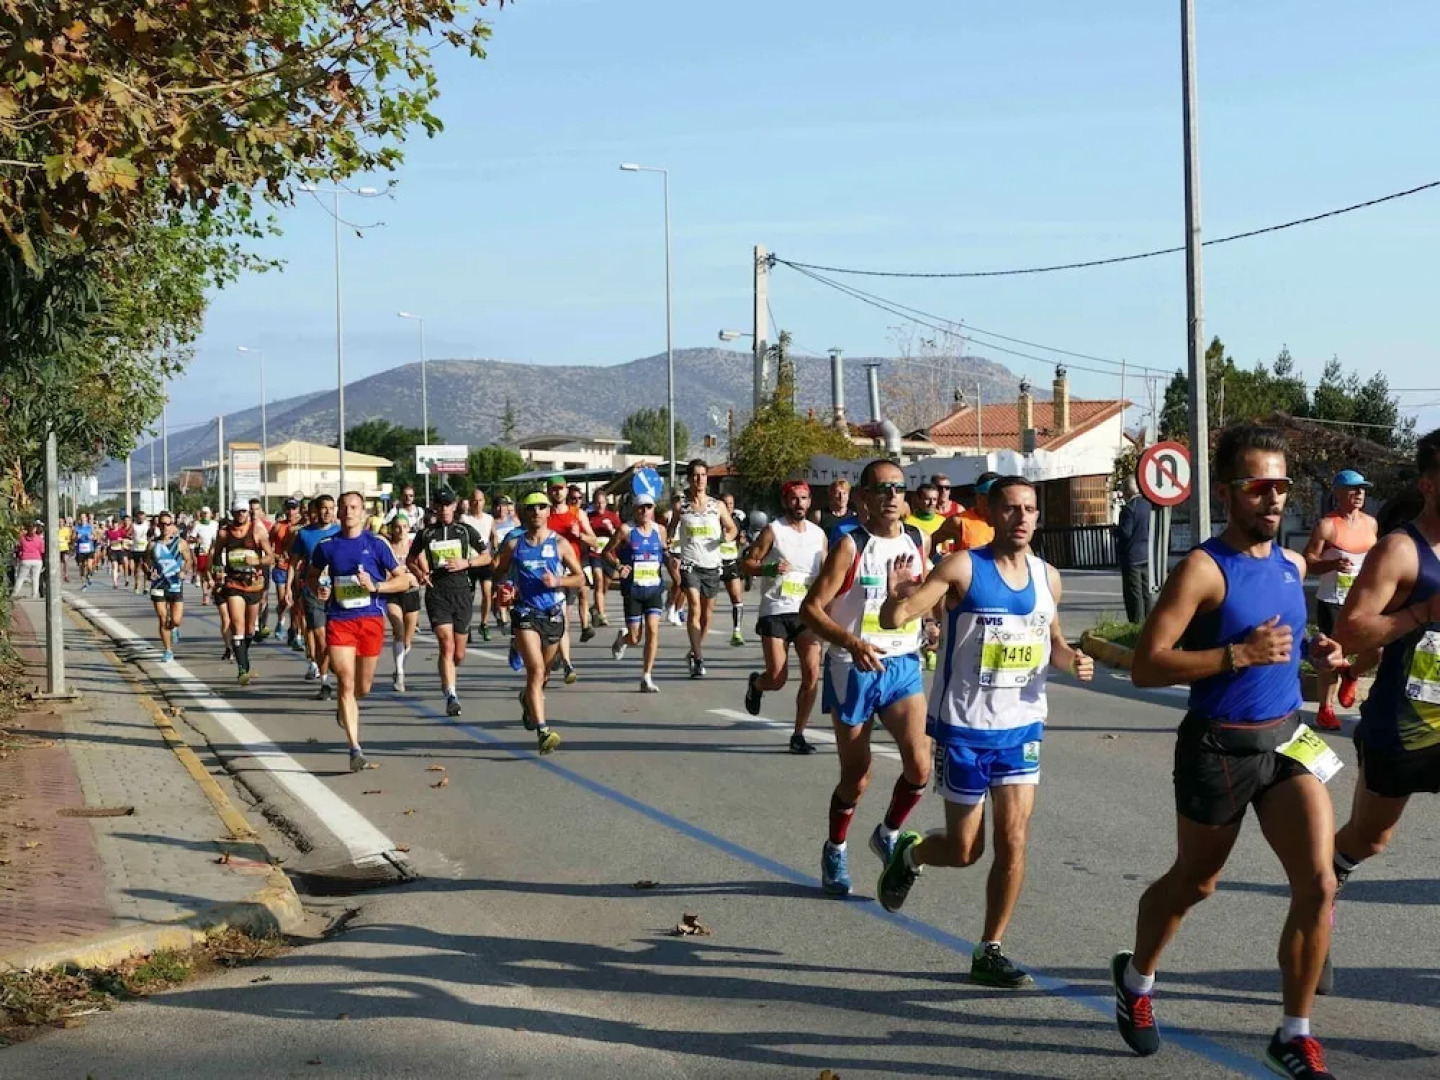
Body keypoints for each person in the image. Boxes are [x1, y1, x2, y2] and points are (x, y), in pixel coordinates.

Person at [1112, 424, 1346, 1080]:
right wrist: (1234, 655)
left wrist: (1315, 653)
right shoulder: (1202, 569)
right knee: (1197, 881)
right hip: (1218, 748)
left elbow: (1287, 642)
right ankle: (1135, 978)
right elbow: (1146, 666)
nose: (1273, 499)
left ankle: (1293, 1035)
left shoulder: (1292, 563)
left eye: (1282, 487)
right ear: (1228, 492)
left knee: (1320, 881)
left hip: (1287, 741)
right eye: (1258, 487)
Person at [874, 476, 1094, 990]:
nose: (1023, 518)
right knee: (965, 849)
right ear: (991, 515)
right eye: (1013, 509)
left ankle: (990, 948)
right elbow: (896, 617)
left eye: (1031, 509)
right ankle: (911, 853)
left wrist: (1072, 660)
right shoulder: (962, 568)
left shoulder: (1048, 578)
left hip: (1021, 728)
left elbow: (1054, 643)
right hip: (965, 729)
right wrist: (897, 599)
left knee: (1014, 842)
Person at [1326, 431, 1440, 999]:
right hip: (1405, 723)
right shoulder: (1401, 549)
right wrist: (1422, 611)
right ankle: (1317, 896)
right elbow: (1352, 630)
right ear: (1428, 484)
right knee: (1371, 839)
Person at [799, 460, 934, 896]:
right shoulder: (850, 546)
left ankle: (888, 832)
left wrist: (927, 619)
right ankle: (836, 847)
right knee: (857, 775)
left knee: (920, 764)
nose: (892, 496)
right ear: (863, 498)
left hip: (902, 663)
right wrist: (852, 642)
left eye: (898, 488)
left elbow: (924, 595)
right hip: (852, 665)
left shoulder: (918, 539)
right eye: (882, 489)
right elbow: (811, 610)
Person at [309, 492, 411, 771]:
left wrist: (376, 587)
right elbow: (311, 575)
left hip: (370, 620)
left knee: (362, 688)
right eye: (344, 508)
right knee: (345, 681)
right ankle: (355, 748)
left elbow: (404, 580)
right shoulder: (327, 545)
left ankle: (346, 705)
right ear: (338, 514)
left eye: (354, 507)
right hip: (339, 619)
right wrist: (319, 588)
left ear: (363, 512)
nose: (348, 512)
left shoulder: (377, 544)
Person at [493, 492, 582, 754]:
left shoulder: (560, 544)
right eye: (531, 508)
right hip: (525, 613)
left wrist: (558, 582)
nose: (537, 512)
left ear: (547, 512)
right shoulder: (514, 545)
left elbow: (579, 578)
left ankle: (526, 700)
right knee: (535, 670)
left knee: (543, 673)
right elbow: (499, 572)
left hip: (553, 614)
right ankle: (543, 731)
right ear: (524, 512)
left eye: (542, 507)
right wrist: (506, 588)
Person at [743, 480, 828, 754]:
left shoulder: (818, 535)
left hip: (807, 611)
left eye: (803, 498)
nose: (799, 503)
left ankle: (799, 734)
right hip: (776, 609)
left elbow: (827, 571)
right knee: (778, 678)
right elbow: (747, 563)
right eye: (794, 498)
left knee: (812, 673)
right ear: (785, 502)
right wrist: (768, 569)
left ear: (810, 501)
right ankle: (757, 684)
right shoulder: (773, 531)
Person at [1304, 470, 1380, 731]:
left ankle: (1352, 673)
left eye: (1362, 489)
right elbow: (1309, 562)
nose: (1359, 493)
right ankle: (1326, 709)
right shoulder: (1326, 525)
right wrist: (1332, 563)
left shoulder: (1371, 524)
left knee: (1377, 650)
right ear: (1337, 493)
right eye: (1352, 488)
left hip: (1365, 600)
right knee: (1330, 655)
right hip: (1332, 600)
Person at [410, 489, 490, 717]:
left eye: (448, 504)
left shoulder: (464, 531)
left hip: (462, 593)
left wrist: (467, 562)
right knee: (446, 644)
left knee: (459, 654)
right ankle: (451, 695)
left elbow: (487, 556)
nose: (444, 508)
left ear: (455, 506)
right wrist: (420, 573)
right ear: (435, 506)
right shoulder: (426, 534)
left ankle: (448, 676)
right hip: (438, 594)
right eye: (440, 504)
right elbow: (410, 559)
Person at [667, 460, 739, 678]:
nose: (699, 479)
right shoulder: (682, 506)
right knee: (695, 608)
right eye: (695, 475)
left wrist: (727, 536)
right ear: (689, 479)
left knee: (707, 616)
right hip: (690, 564)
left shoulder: (717, 506)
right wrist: (669, 540)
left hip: (712, 565)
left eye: (702, 475)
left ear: (707, 478)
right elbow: (671, 528)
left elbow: (732, 528)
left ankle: (693, 650)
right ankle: (698, 659)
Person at [604, 492, 669, 692]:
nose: (645, 511)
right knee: (635, 638)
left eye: (648, 507)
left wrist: (673, 564)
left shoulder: (660, 530)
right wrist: (618, 565)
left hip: (654, 588)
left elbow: (664, 552)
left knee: (653, 629)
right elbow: (606, 551)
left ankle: (646, 677)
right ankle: (622, 639)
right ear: (634, 509)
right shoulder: (625, 530)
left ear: (653, 509)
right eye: (641, 507)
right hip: (633, 590)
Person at [210, 498, 274, 684]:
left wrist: (256, 562)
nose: (241, 515)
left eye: (244, 512)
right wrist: (218, 571)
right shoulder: (224, 533)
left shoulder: (257, 531)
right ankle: (242, 669)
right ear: (232, 513)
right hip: (233, 584)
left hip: (253, 585)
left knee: (249, 628)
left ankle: (243, 658)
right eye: (237, 512)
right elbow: (216, 557)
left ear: (248, 513)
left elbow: (270, 557)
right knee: (236, 624)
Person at [546, 476, 599, 679]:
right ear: (549, 492)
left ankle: (566, 662)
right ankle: (561, 658)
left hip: (571, 574)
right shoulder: (543, 515)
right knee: (557, 621)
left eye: (561, 489)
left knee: (563, 620)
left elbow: (595, 542)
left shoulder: (578, 515)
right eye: (554, 489)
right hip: (549, 575)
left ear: (566, 491)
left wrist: (580, 536)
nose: (558, 493)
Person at [290, 495, 341, 692]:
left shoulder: (340, 532)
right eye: (324, 508)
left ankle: (331, 665)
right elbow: (293, 564)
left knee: (333, 637)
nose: (327, 512)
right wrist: (290, 588)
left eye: (331, 507)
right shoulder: (304, 534)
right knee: (320, 636)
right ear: (316, 511)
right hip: (313, 590)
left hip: (337, 591)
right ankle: (325, 681)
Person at [144, 512, 192, 663]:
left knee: (176, 620)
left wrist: (184, 571)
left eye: (168, 524)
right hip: (158, 584)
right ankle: (168, 650)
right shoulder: (152, 544)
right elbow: (145, 562)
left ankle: (174, 628)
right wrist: (148, 572)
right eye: (162, 524)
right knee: (162, 617)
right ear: (158, 526)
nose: (165, 527)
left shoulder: (180, 543)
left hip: (175, 584)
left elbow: (189, 560)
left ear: (173, 526)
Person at [382, 518, 421, 691]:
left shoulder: (414, 546)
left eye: (404, 527)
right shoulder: (386, 547)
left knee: (407, 639)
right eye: (397, 527)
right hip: (392, 593)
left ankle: (401, 667)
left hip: (411, 593)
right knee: (398, 630)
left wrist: (417, 576)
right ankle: (399, 672)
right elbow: (381, 572)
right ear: (392, 529)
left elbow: (424, 570)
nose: (401, 530)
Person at [1115, 475, 1154, 625]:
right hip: (1146, 554)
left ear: (1127, 491)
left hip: (1131, 556)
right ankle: (1149, 621)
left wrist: (1115, 531)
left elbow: (1126, 532)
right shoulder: (1147, 505)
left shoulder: (1128, 509)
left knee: (1134, 593)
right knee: (1146, 592)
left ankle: (1137, 624)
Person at [931, 472, 1000, 555]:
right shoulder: (958, 521)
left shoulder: (1005, 521)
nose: (995, 500)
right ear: (978, 497)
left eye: (998, 496)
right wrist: (938, 563)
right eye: (990, 496)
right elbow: (931, 542)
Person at [462, 490, 497, 642]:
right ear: (470, 502)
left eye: (480, 500)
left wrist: (495, 551)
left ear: (484, 502)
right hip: (469, 561)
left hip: (485, 560)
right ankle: (467, 625)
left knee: (487, 593)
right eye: (474, 500)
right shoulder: (465, 518)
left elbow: (494, 536)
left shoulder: (489, 518)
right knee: (469, 596)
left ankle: (484, 624)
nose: (477, 503)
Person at [268, 499, 303, 648]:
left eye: (294, 508)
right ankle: (281, 620)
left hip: (297, 569)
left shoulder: (303, 527)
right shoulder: (278, 527)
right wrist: (276, 556)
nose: (291, 512)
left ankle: (295, 633)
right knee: (284, 601)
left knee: (297, 605)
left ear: (298, 510)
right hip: (282, 567)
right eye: (288, 509)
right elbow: (268, 547)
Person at [587, 490, 621, 629]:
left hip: (609, 555)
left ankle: (595, 607)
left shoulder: (612, 517)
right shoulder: (589, 517)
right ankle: (602, 615)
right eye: (597, 503)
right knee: (598, 582)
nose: (599, 506)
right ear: (593, 503)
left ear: (606, 503)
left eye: (602, 503)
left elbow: (621, 536)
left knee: (606, 585)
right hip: (595, 555)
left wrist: (611, 529)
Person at [720, 492, 748, 646]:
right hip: (714, 563)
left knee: (737, 598)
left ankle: (737, 632)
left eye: (731, 504)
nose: (729, 507)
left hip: (731, 563)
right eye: (726, 504)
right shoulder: (712, 520)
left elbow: (742, 538)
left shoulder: (738, 520)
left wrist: (742, 541)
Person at [490, 496, 520, 632]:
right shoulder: (492, 522)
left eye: (503, 506)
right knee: (500, 586)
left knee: (510, 585)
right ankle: (503, 618)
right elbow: (492, 539)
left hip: (513, 558)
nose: (501, 509)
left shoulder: (513, 521)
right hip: (498, 556)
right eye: (498, 506)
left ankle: (508, 612)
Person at [190, 507, 219, 605]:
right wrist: (196, 540)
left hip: (214, 551)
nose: (205, 515)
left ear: (211, 514)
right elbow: (191, 538)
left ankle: (211, 592)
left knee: (213, 573)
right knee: (204, 574)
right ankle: (205, 595)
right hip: (202, 551)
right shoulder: (197, 525)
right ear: (201, 514)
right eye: (203, 513)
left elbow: (219, 537)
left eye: (207, 513)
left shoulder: (215, 524)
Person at [13, 521, 43, 599]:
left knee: (20, 578)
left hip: (25, 559)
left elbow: (19, 548)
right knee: (35, 578)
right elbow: (42, 550)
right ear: (35, 529)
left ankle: (14, 593)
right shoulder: (39, 538)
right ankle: (34, 595)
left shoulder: (22, 538)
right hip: (37, 559)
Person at [129, 510, 151, 593]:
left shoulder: (147, 524)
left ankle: (146, 586)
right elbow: (128, 534)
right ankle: (137, 584)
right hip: (136, 549)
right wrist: (131, 537)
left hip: (145, 548)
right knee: (137, 568)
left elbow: (151, 533)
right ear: (137, 518)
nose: (141, 519)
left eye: (143, 518)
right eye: (140, 518)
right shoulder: (134, 525)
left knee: (146, 567)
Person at [73, 513, 97, 589]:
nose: (83, 519)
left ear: (86, 518)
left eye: (84, 517)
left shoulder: (90, 527)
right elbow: (73, 539)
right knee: (81, 567)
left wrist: (92, 537)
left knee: (89, 565)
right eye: (81, 518)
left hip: (89, 549)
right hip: (80, 550)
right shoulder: (77, 528)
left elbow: (96, 537)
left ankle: (89, 575)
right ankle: (84, 584)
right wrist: (77, 537)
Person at [57, 516, 72, 583]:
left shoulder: (66, 529)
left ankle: (66, 575)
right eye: (59, 522)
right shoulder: (55, 529)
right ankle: (58, 576)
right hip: (57, 549)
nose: (60, 523)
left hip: (65, 548)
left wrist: (66, 540)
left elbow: (69, 539)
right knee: (58, 563)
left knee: (65, 561)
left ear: (64, 523)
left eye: (61, 522)